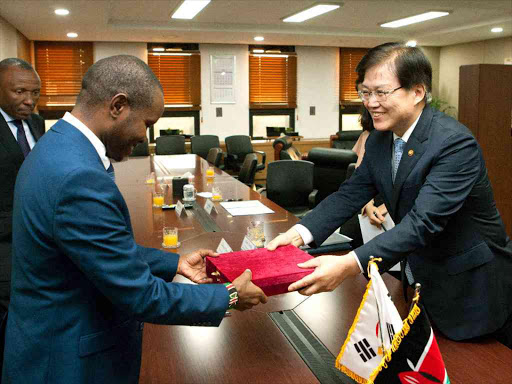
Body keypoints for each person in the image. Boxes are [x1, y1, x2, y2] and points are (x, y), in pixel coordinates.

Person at [3, 55, 267, 383]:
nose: (145, 137)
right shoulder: (77, 176)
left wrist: (174, 264)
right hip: (66, 361)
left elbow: (93, 248)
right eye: (146, 124)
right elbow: (140, 295)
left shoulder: (57, 147)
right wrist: (227, 295)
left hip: (47, 338)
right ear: (118, 106)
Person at [268, 42, 512, 348]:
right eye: (365, 92)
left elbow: (422, 223)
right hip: (422, 281)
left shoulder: (453, 144)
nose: (371, 102)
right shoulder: (381, 140)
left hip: (473, 288)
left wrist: (348, 264)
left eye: (381, 92)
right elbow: (349, 195)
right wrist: (299, 234)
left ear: (417, 92)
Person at [0, 58, 45, 315]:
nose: (29, 100)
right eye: (19, 92)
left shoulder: (36, 123)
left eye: (35, 92)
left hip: (37, 235)